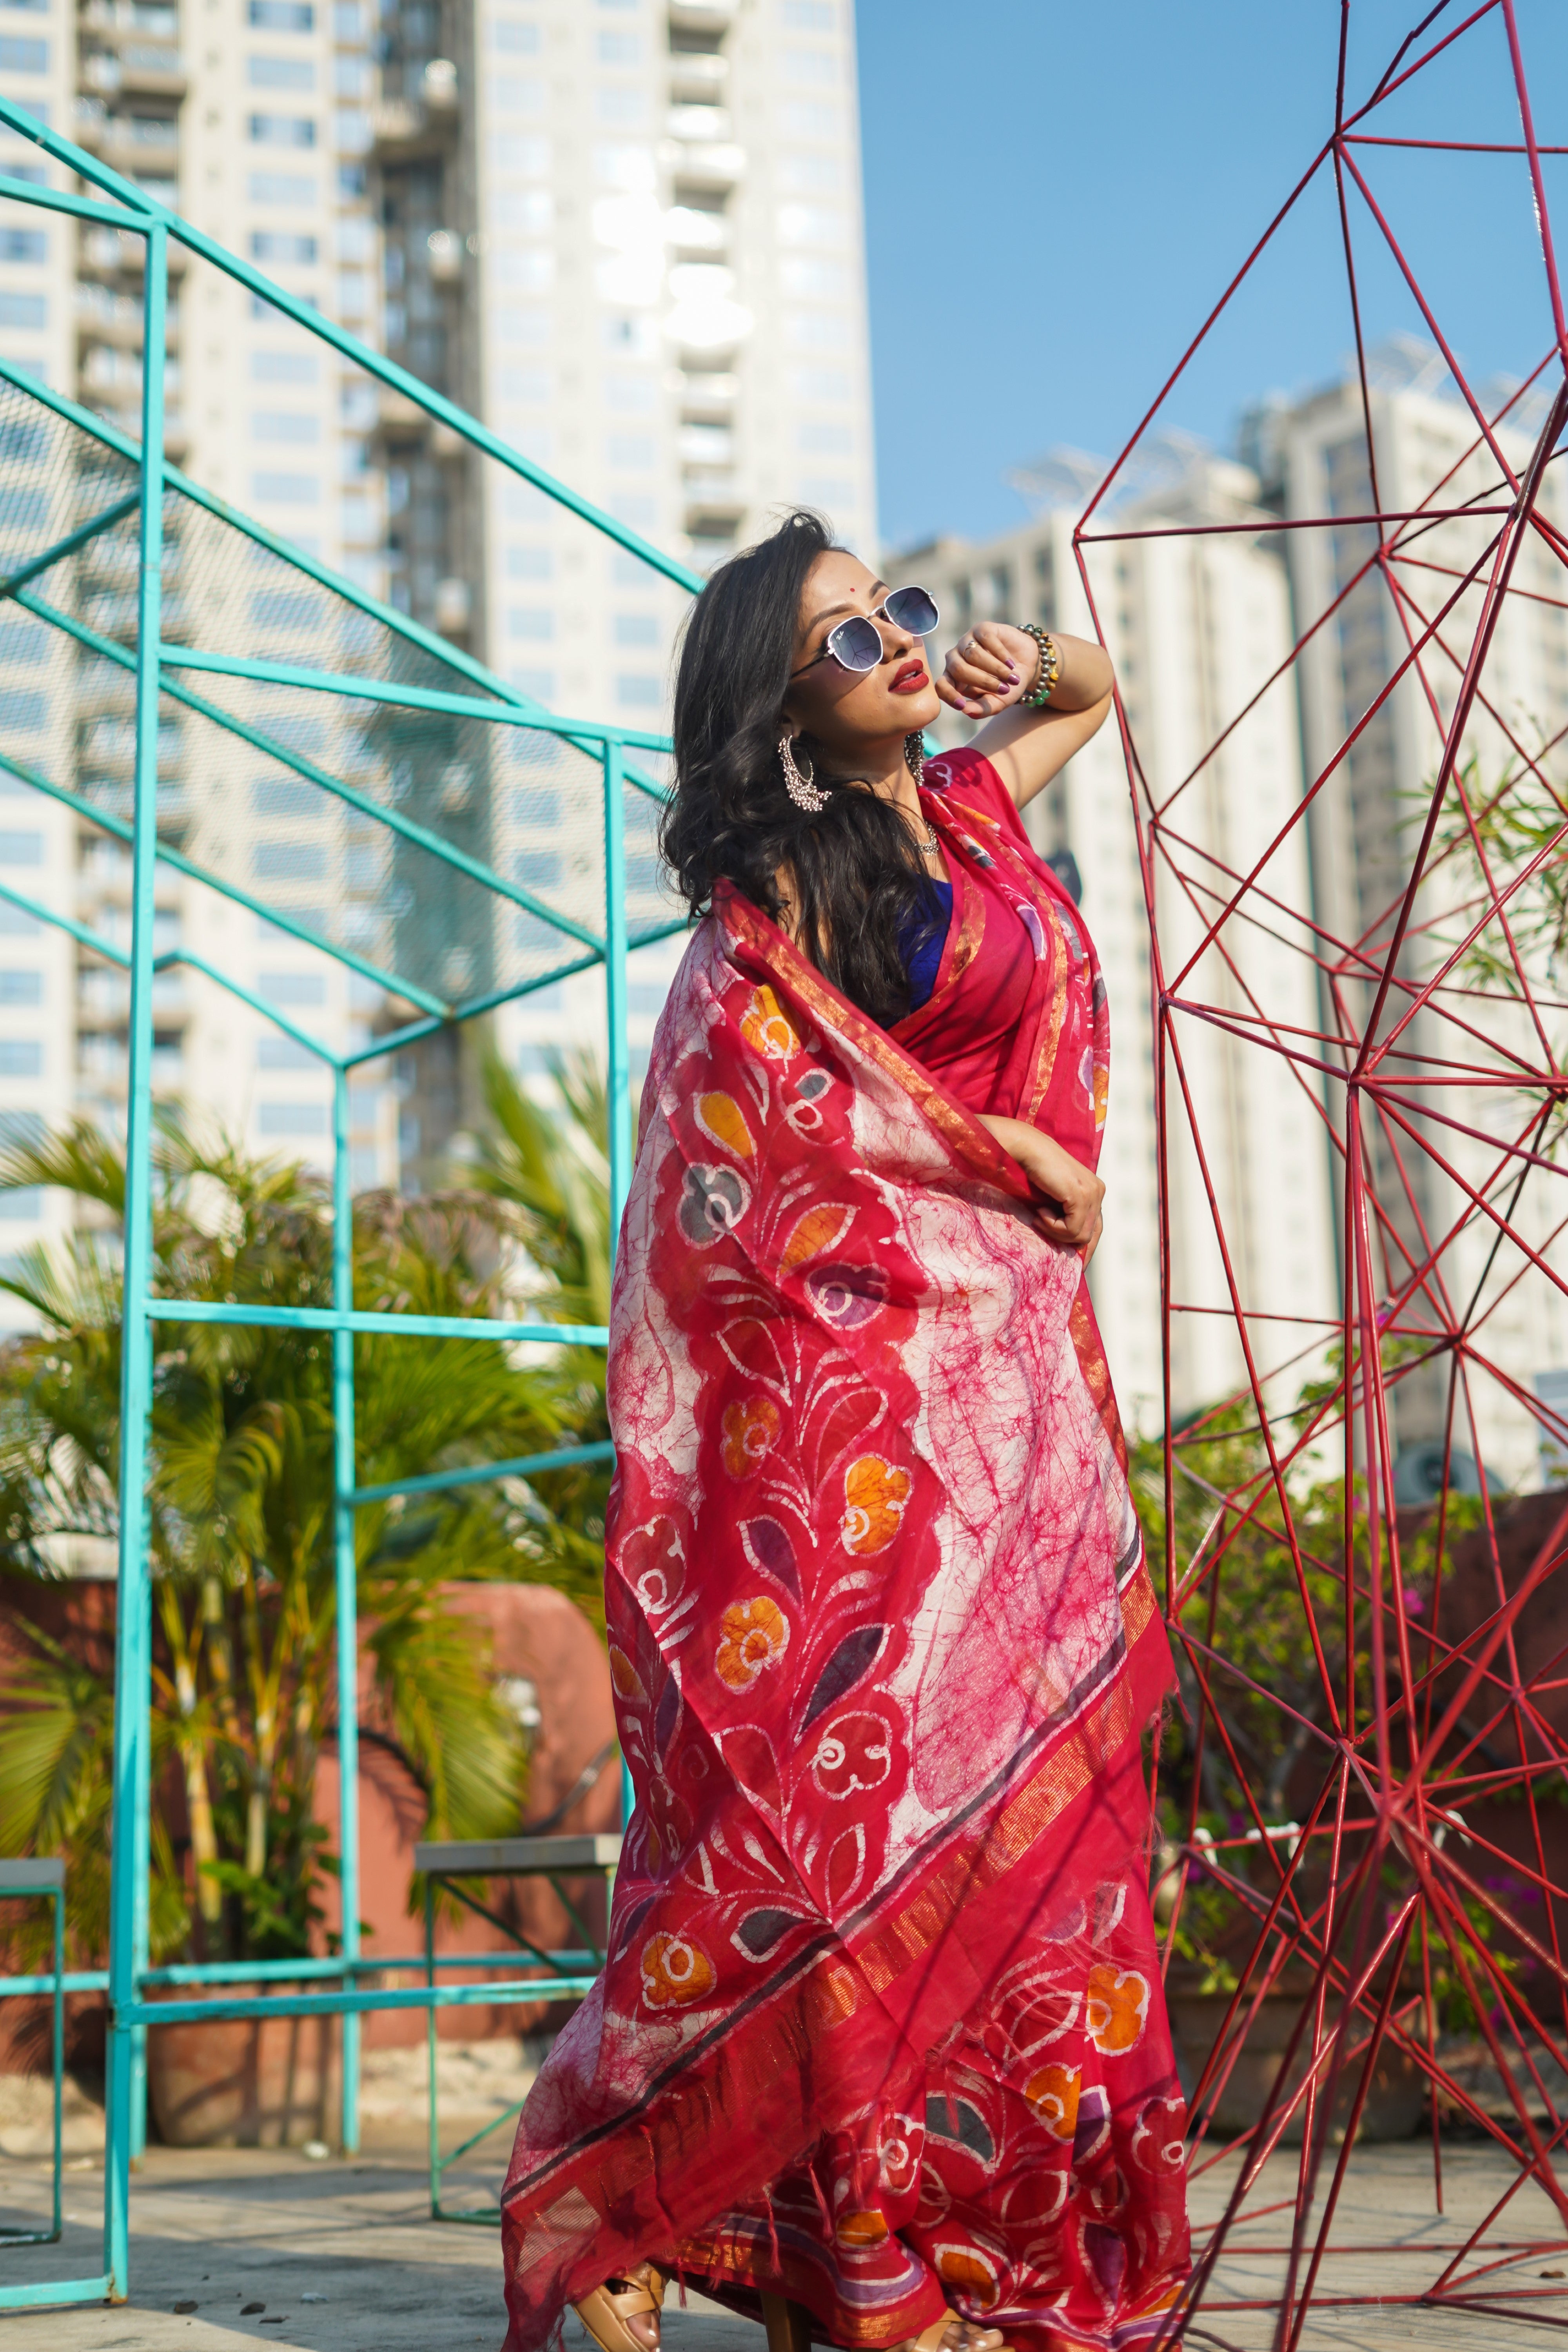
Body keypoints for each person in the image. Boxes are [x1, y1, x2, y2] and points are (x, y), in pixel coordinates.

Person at [499, 511, 1189, 2352]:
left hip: (1016, 1401)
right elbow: (784, 1137)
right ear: (781, 701)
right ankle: (639, 2177)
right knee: (833, 1819)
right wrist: (1010, 1156)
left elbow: (1101, 693)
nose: (891, 639)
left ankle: (981, 2246)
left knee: (1048, 1841)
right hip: (858, 1409)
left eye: (899, 605)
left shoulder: (965, 804)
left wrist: (1017, 659)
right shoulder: (780, 897)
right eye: (844, 633)